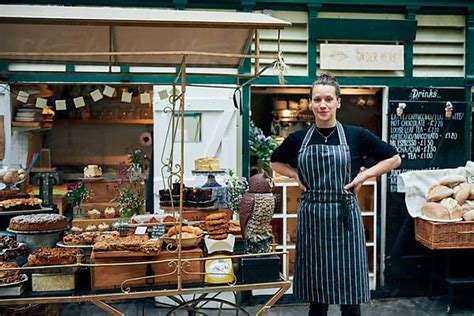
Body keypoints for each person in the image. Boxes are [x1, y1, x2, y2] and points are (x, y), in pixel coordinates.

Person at [270, 73, 401, 316]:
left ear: (338, 102)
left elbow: (394, 158)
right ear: (310, 102)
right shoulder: (299, 138)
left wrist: (362, 176)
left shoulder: (356, 135)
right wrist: (296, 175)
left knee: (349, 292)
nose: (322, 105)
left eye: (328, 99)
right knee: (317, 296)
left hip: (344, 217)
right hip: (312, 218)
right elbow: (275, 162)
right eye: (317, 99)